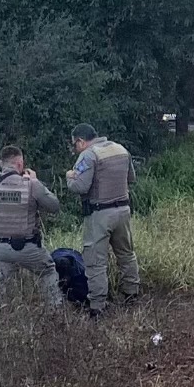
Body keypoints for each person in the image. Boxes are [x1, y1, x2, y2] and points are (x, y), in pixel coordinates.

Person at [0, 145, 62, 305]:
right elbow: (54, 206)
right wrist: (35, 181)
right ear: (20, 164)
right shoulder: (31, 185)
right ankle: (55, 310)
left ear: (1, 163)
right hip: (27, 249)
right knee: (48, 272)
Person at [66, 122, 140, 317]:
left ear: (80, 141)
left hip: (100, 214)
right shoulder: (120, 149)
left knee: (96, 262)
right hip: (123, 210)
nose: (75, 148)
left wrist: (69, 177)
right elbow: (131, 178)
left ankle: (98, 306)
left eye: (74, 144)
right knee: (126, 254)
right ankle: (131, 293)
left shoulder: (89, 155)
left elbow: (79, 187)